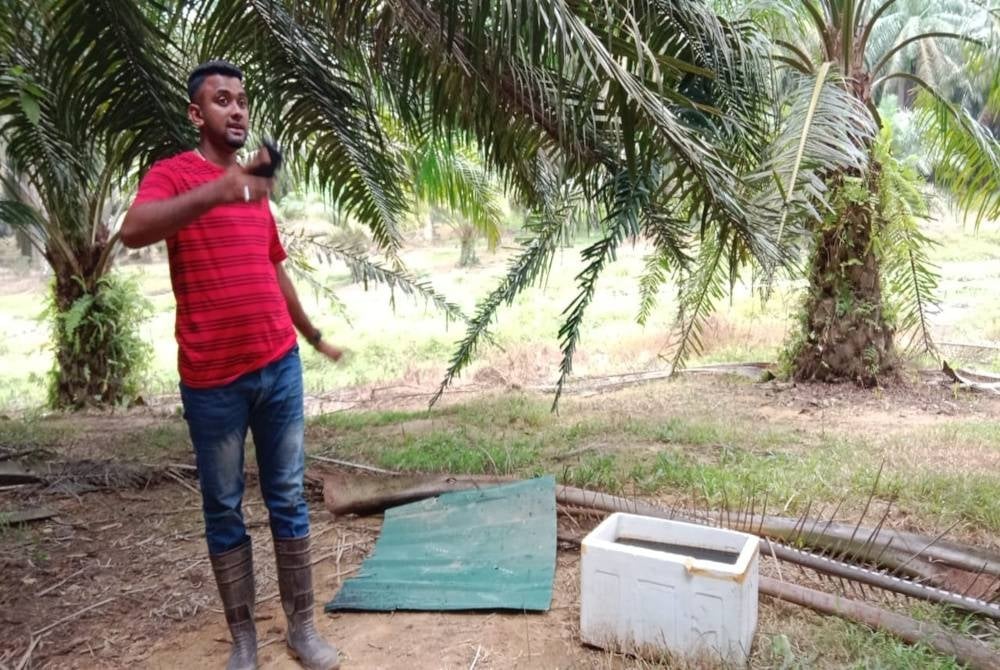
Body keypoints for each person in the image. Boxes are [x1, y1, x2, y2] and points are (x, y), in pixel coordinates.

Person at [121, 60, 342, 670]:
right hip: (212, 381)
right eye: (222, 100)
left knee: (288, 498)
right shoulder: (173, 175)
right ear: (197, 114)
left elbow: (273, 267)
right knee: (223, 508)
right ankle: (243, 639)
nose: (237, 109)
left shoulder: (252, 188)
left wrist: (312, 335)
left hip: (279, 367)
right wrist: (216, 191)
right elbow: (132, 230)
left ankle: (302, 629)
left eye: (242, 99)